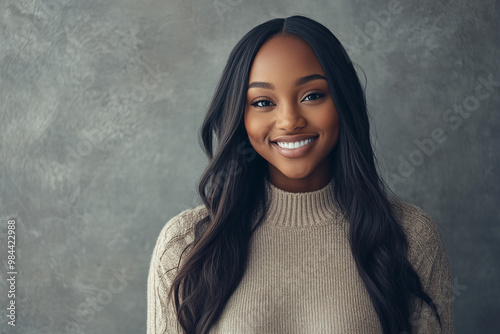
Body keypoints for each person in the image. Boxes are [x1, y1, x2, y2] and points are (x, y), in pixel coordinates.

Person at [147, 15, 454, 334]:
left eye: (312, 95)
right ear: (241, 118)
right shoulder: (186, 245)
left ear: (343, 102)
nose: (290, 120)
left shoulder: (411, 237)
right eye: (263, 102)